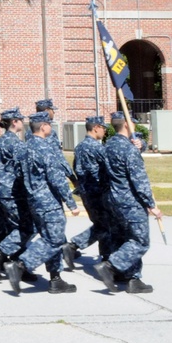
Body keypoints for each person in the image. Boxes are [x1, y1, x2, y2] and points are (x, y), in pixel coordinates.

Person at [4, 111, 79, 294]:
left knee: (51, 238)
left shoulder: (24, 148)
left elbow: (17, 174)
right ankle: (20, 265)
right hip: (48, 201)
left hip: (34, 201)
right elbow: (56, 179)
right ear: (44, 127)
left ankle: (55, 278)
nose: (50, 128)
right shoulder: (45, 148)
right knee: (54, 239)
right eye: (49, 125)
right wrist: (71, 203)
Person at [95, 111, 162, 294]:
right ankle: (111, 266)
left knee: (122, 237)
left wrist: (139, 147)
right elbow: (139, 180)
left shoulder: (107, 146)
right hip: (129, 200)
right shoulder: (128, 149)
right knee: (139, 240)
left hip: (112, 199)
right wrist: (151, 205)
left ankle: (130, 277)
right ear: (126, 124)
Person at [0, 108, 34, 283]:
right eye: (20, 119)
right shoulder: (14, 142)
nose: (22, 122)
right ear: (14, 122)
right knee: (26, 227)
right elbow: (23, 169)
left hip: (1, 191)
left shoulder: (1, 140)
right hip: (13, 192)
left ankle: (18, 265)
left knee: (16, 227)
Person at [62, 114, 110, 270]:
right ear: (96, 128)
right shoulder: (96, 147)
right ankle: (73, 246)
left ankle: (107, 256)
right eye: (103, 128)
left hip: (85, 191)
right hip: (97, 191)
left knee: (103, 224)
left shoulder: (80, 146)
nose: (104, 131)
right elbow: (110, 165)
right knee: (104, 225)